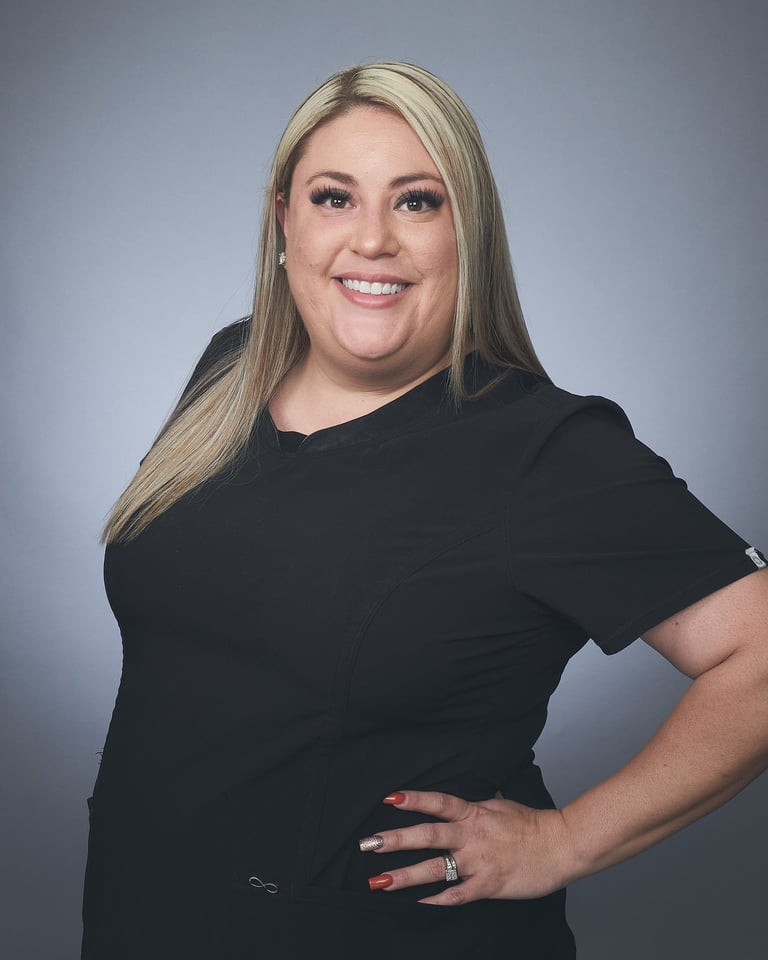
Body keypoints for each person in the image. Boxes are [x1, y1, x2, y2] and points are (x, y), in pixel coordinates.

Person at [83, 61, 768, 959]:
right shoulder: (230, 372)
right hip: (141, 922)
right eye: (334, 197)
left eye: (416, 202)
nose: (372, 239)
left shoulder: (545, 451)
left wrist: (566, 841)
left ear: (467, 230)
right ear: (284, 219)